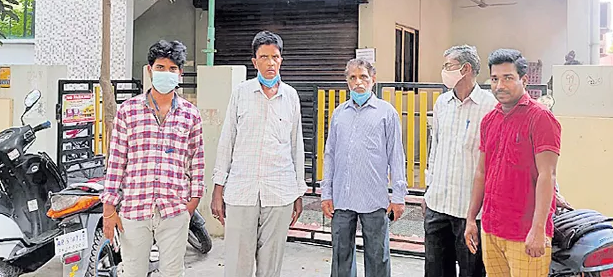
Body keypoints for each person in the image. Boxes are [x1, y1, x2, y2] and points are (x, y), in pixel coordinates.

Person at [101, 40, 205, 277]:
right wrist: (109, 209)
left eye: (172, 69)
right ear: (150, 70)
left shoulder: (190, 114)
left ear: (180, 73)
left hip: (174, 210)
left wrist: (193, 201)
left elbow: (197, 160)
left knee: (172, 273)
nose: (165, 73)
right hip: (135, 209)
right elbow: (116, 162)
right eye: (160, 67)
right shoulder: (128, 111)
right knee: (133, 272)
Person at [211, 31, 306, 277]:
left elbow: (296, 146)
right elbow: (227, 141)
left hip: (280, 191)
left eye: (275, 56)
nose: (270, 62)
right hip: (242, 191)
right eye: (264, 56)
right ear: (254, 62)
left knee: (270, 266)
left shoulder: (291, 97)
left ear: (281, 59)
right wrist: (218, 189)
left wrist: (298, 192)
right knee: (237, 266)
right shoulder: (241, 93)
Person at [465, 49, 562, 277]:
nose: (500, 85)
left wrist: (539, 229)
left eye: (508, 78)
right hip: (491, 229)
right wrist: (471, 219)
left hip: (526, 233)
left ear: (524, 80)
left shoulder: (541, 119)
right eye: (495, 79)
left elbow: (547, 176)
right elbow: (481, 173)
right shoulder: (490, 120)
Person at [321, 58, 408, 277]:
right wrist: (326, 193)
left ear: (373, 80)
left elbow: (396, 156)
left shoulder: (387, 113)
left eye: (363, 77)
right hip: (342, 198)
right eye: (353, 77)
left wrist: (398, 196)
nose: (358, 82)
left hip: (374, 199)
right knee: (341, 258)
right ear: (347, 81)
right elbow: (329, 154)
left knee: (378, 257)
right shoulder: (339, 114)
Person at [423, 45, 496, 277]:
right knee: (435, 271)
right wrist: (428, 189)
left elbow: (493, 162)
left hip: (470, 212)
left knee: (471, 271)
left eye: (448, 66)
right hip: (438, 205)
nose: (444, 71)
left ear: (465, 69)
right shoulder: (441, 104)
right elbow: (435, 149)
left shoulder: (490, 106)